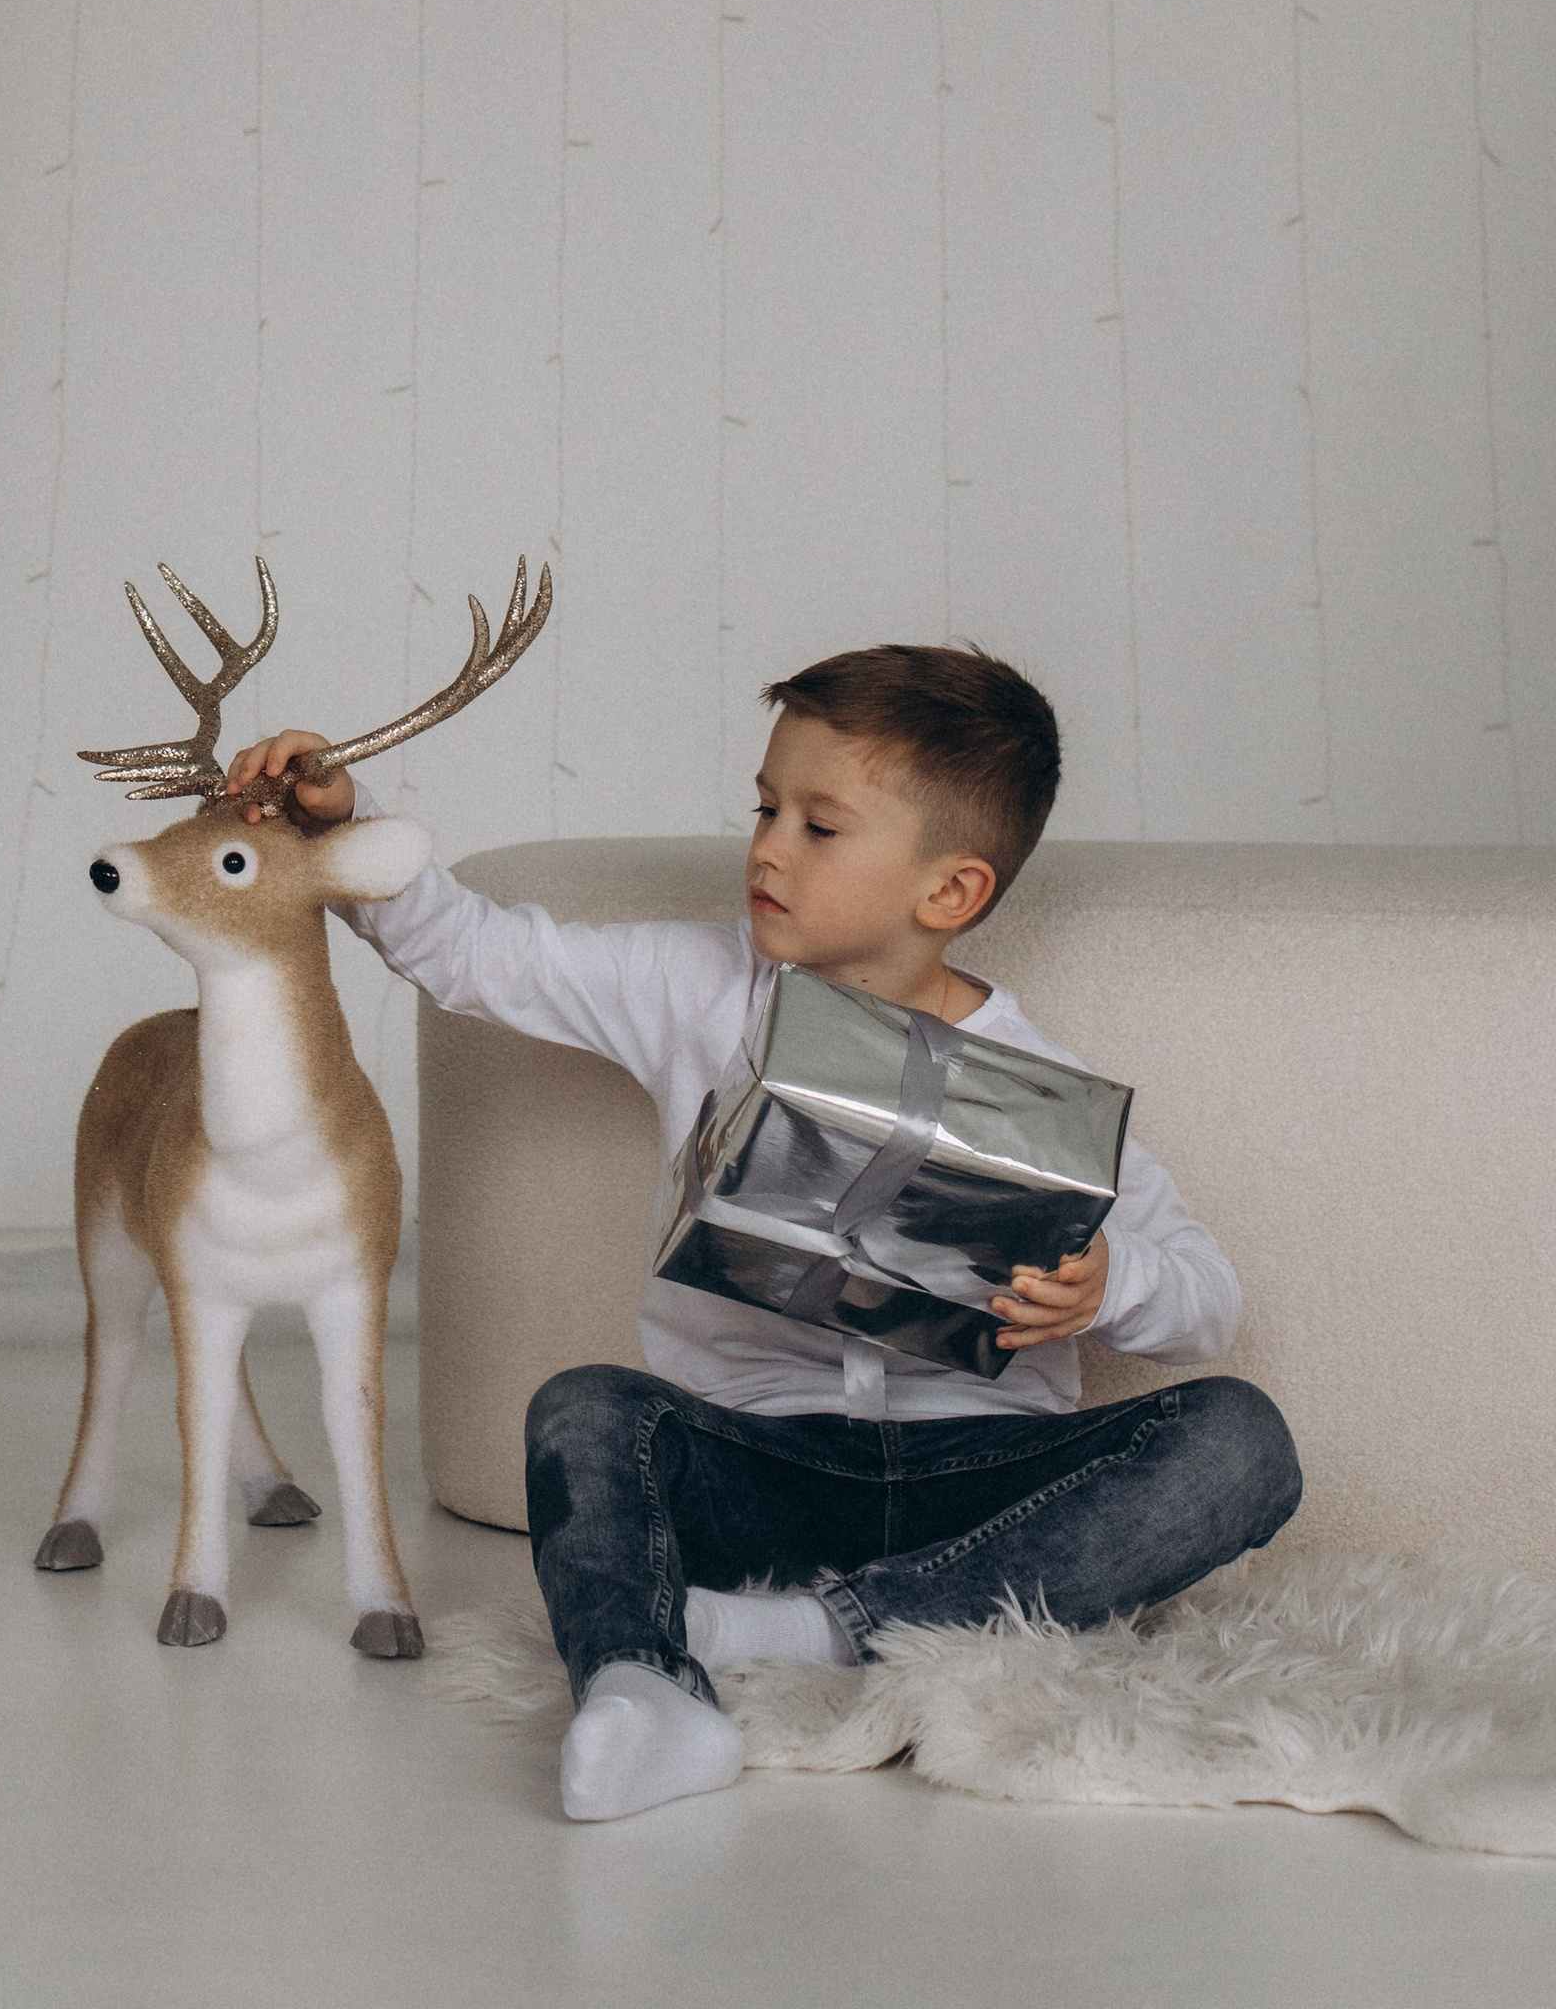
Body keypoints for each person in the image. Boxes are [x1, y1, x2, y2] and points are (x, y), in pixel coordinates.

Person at [226, 641, 1301, 1824]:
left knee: (1242, 1441)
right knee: (583, 1408)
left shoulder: (1033, 1084)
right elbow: (479, 955)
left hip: (979, 1480)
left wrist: (1107, 1283)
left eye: (819, 826)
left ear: (948, 892)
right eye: (765, 807)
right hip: (760, 1463)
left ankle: (819, 1633)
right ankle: (641, 1687)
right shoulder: (698, 987)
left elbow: (1208, 1298)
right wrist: (346, 825)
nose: (768, 847)